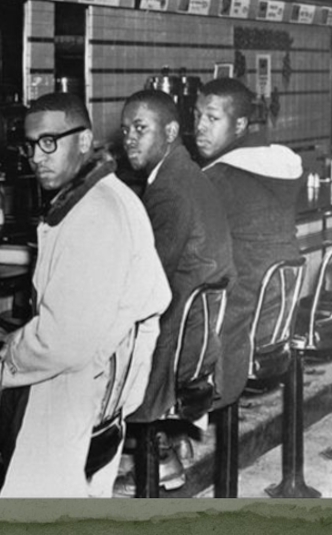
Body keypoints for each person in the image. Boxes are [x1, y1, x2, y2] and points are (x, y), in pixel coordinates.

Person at [0, 92, 171, 498]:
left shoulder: (94, 213)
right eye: (30, 145)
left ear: (84, 140)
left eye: (49, 142)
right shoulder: (107, 196)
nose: (37, 157)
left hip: (73, 395)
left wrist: (6, 354)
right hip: (103, 392)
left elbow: (62, 343)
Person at [118, 89, 236, 492]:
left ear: (169, 132)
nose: (130, 139)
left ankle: (155, 455)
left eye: (141, 128)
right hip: (200, 333)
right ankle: (168, 443)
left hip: (179, 342)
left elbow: (148, 279)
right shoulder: (186, 173)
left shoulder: (169, 188)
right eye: (125, 130)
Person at [194, 78, 303, 409]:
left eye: (212, 118)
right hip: (276, 317)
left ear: (240, 124)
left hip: (238, 327)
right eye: (197, 115)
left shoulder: (218, 179)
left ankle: (165, 425)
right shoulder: (276, 167)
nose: (200, 127)